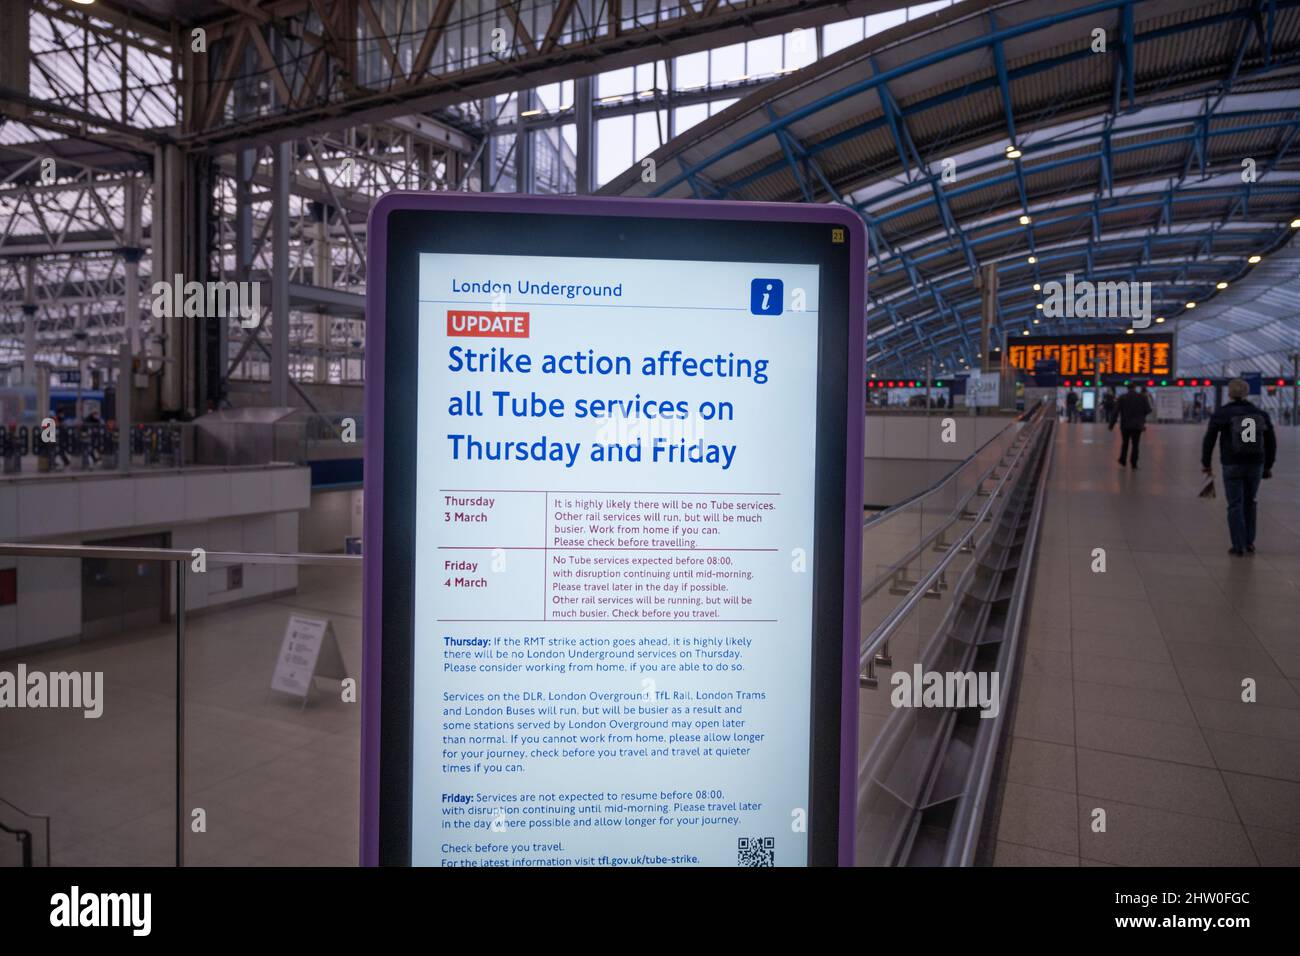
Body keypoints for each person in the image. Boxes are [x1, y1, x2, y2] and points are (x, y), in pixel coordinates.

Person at [1202, 378, 1277, 556]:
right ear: (1246, 393)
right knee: (1250, 502)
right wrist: (1268, 466)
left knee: (1235, 504)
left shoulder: (1222, 413)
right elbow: (1271, 442)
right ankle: (1249, 542)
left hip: (1232, 463)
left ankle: (1238, 545)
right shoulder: (1260, 413)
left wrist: (1206, 463)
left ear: (1229, 393)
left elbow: (1209, 439)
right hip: (1255, 463)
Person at [1114, 383, 1151, 469]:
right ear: (1135, 388)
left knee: (1125, 443)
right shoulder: (1142, 397)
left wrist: (1111, 424)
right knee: (1135, 444)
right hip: (1137, 425)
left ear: (1127, 388)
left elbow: (1116, 411)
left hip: (1125, 425)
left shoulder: (1122, 397)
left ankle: (1123, 460)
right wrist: (1142, 416)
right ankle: (1134, 463)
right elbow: (1148, 410)